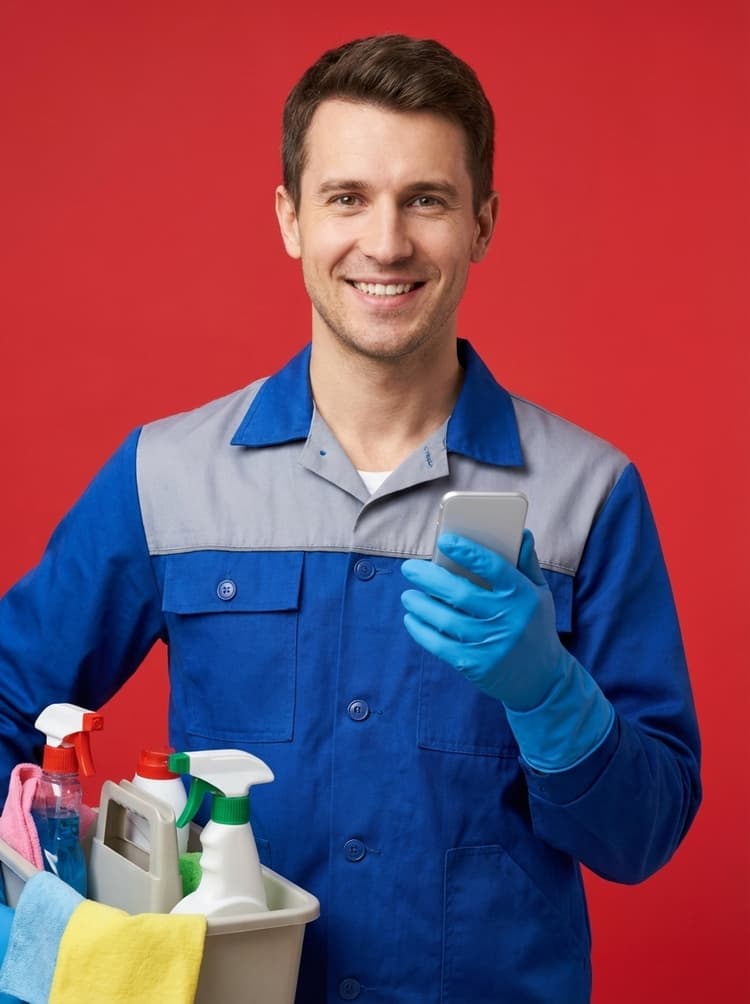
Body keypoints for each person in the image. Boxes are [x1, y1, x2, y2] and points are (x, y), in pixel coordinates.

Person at [0, 34, 701, 1004]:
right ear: (290, 218)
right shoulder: (166, 476)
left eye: (427, 198)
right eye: (346, 198)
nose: (386, 242)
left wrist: (551, 698)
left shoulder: (591, 494)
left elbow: (644, 836)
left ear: (484, 222)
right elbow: (10, 693)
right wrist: (33, 916)